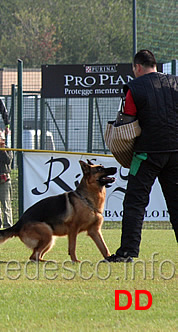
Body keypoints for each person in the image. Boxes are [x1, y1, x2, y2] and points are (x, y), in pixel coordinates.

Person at [105, 50, 178, 262]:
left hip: (146, 154)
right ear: (155, 64)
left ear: (137, 67)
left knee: (135, 203)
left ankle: (127, 252)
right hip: (175, 153)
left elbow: (127, 122)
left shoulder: (134, 88)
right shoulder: (175, 83)